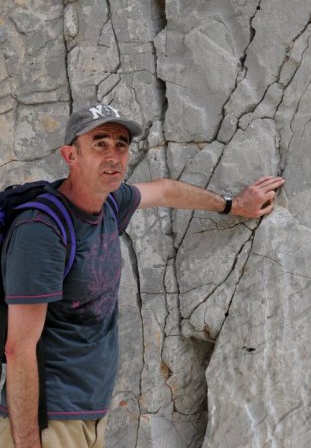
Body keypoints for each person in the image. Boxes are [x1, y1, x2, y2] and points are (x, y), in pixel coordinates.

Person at [0, 103, 284, 448]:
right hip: (49, 422)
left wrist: (233, 205)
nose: (113, 155)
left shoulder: (108, 203)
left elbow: (164, 190)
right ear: (69, 155)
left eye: (121, 144)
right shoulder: (41, 232)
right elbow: (18, 347)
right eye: (99, 143)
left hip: (89, 415)